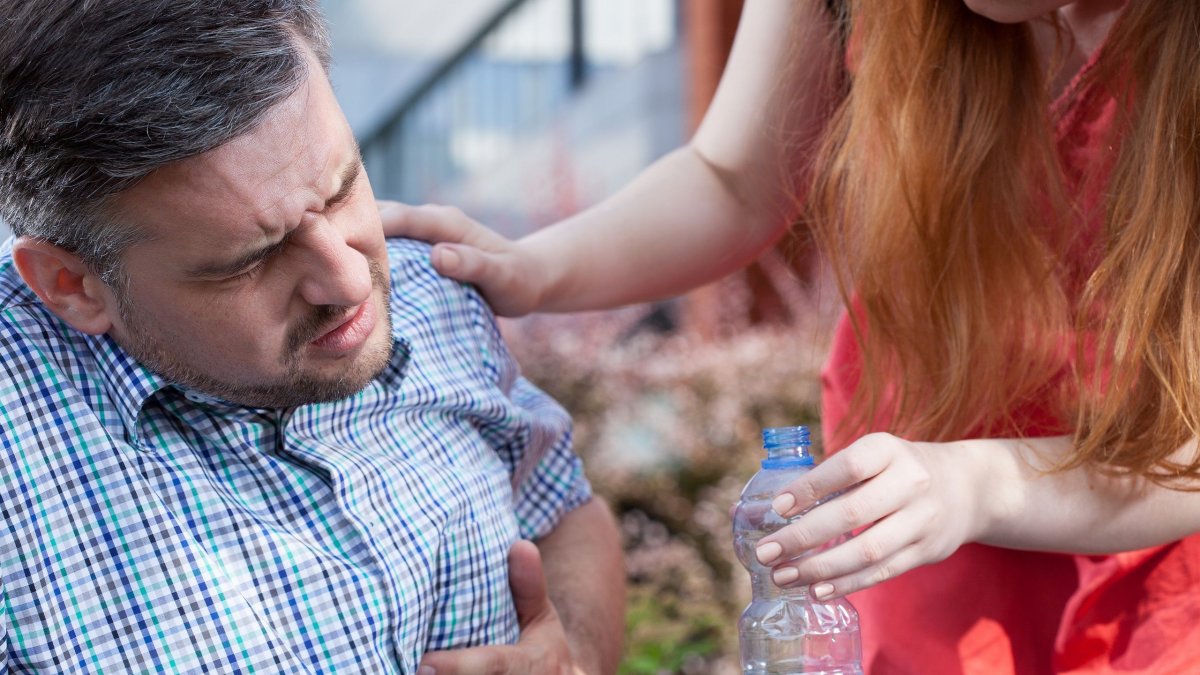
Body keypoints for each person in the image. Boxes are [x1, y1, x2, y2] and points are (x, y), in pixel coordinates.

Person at [380, 0, 1200, 672]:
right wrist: (533, 268)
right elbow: (735, 181)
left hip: (1150, 518)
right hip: (923, 523)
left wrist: (983, 483)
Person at [0, 2, 624, 674]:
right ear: (72, 283)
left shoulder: (431, 287)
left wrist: (574, 658)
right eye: (253, 259)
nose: (352, 281)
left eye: (343, 189)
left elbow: (563, 510)